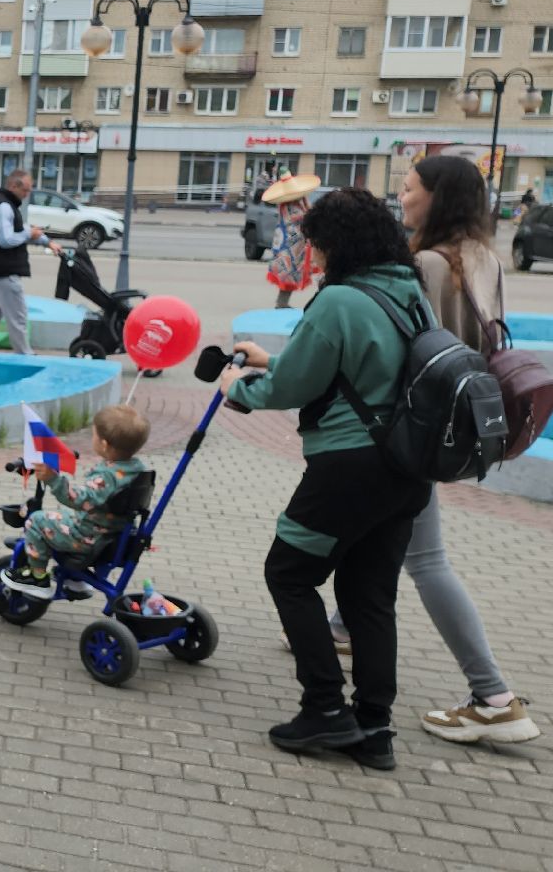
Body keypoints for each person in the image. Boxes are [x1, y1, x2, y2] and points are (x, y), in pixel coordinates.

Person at [323, 156, 540, 745]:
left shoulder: (425, 263)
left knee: (426, 560)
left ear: (436, 198)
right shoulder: (486, 259)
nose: (403, 194)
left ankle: (493, 696)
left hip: (415, 430)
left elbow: (401, 345)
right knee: (384, 533)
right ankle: (343, 628)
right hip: (456, 423)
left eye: (410, 186)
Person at [221, 188, 432, 771]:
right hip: (405, 469)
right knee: (369, 596)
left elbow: (295, 387)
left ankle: (324, 708)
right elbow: (360, 366)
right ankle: (373, 727)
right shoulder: (408, 292)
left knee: (288, 572)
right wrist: (272, 359)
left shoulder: (338, 299)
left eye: (313, 242)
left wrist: (238, 387)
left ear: (337, 244)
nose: (307, 253)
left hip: (349, 467)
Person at [0, 405, 151, 599]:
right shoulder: (135, 468)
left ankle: (38, 577)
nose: (92, 438)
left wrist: (53, 479)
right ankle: (75, 580)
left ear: (104, 444)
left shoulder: (107, 477)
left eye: (94, 434)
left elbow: (78, 499)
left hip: (89, 537)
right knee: (62, 516)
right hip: (111, 530)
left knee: (36, 520)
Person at [0, 169, 62, 355]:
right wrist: (29, 234)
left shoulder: (4, 204)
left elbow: (19, 230)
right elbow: (6, 240)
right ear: (14, 186)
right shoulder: (4, 207)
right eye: (26, 190)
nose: (27, 195)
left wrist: (46, 241)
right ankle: (24, 353)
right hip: (4, 271)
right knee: (17, 316)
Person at [264, 173, 320, 309]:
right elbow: (306, 219)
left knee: (289, 274)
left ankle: (282, 303)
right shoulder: (293, 208)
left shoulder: (287, 205)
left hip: (289, 248)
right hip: (291, 249)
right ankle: (281, 303)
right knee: (289, 274)